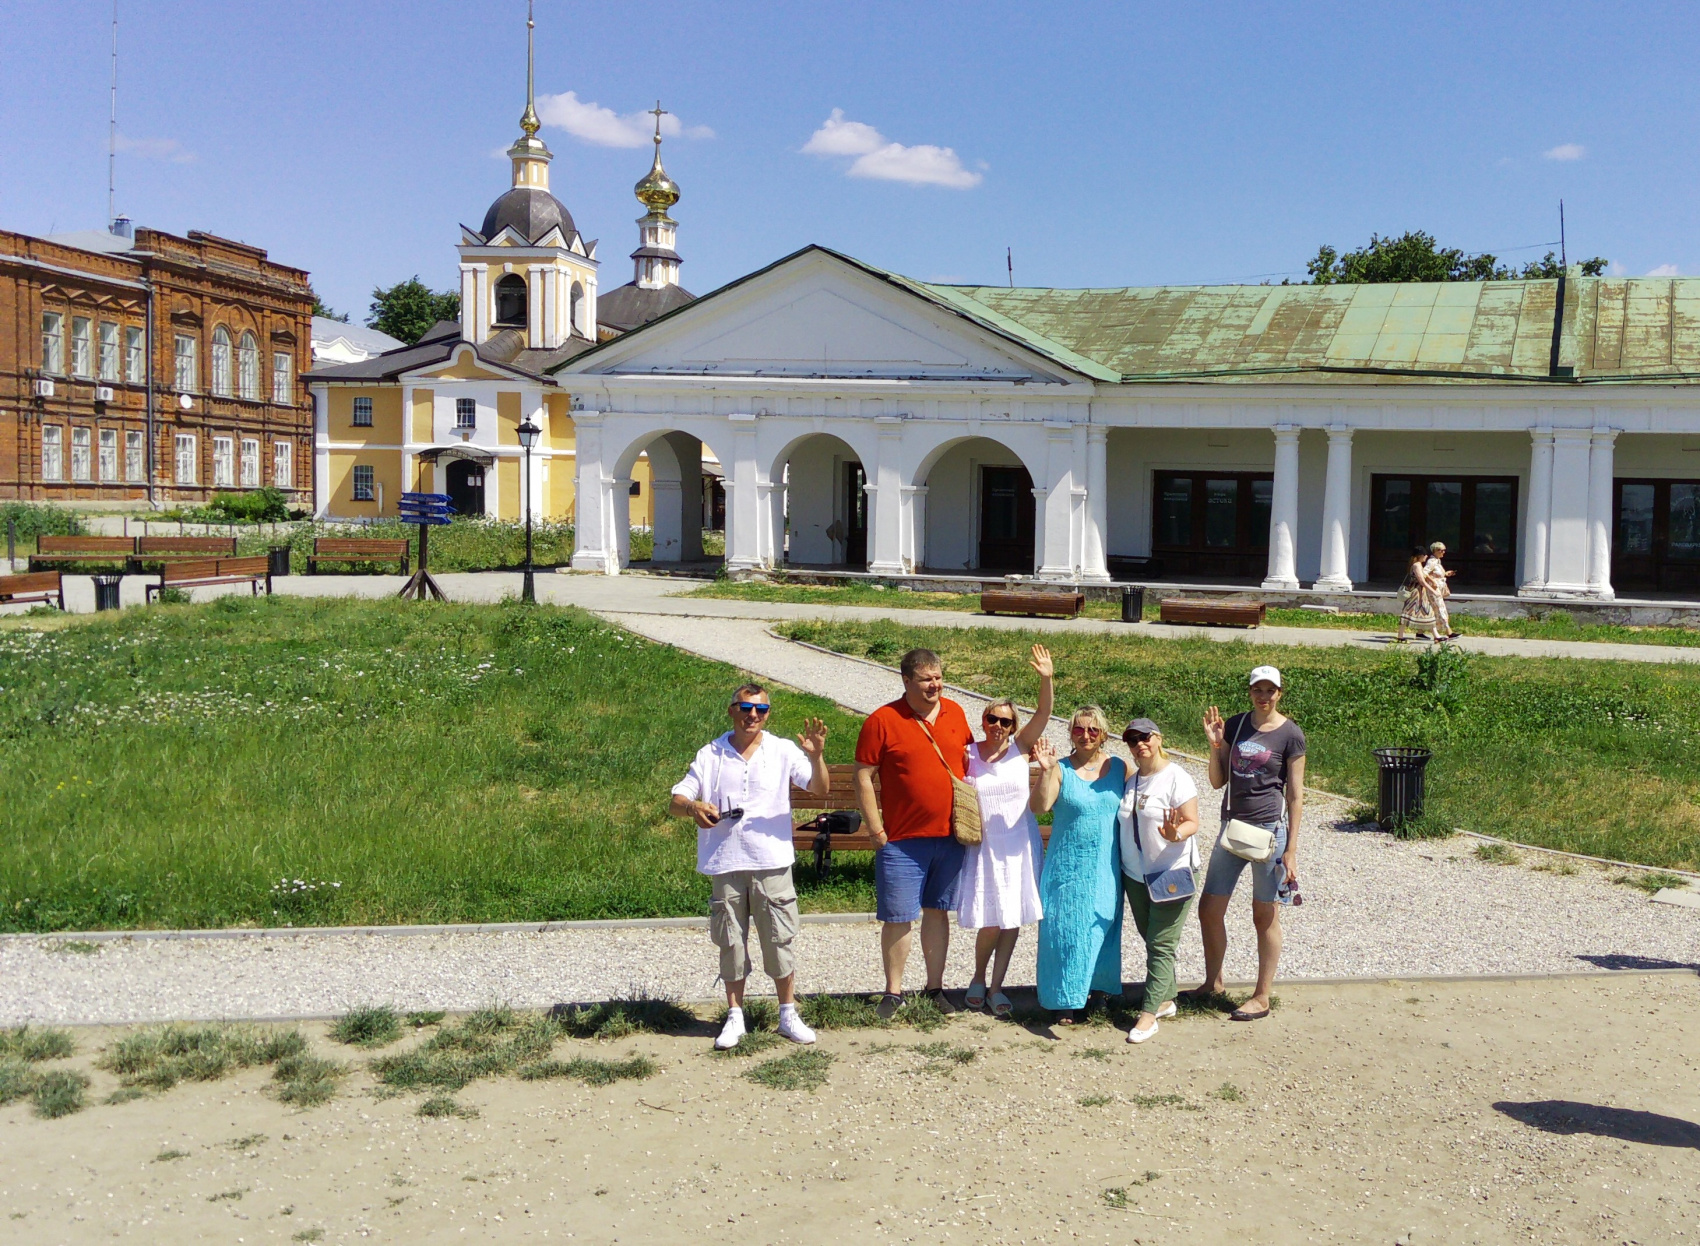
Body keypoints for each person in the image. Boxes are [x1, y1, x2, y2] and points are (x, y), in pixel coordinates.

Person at [671, 682, 831, 1049]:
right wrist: (694, 808)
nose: (753, 716)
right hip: (725, 862)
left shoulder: (781, 749)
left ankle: (788, 1013)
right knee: (730, 942)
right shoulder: (711, 753)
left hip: (771, 860)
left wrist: (818, 755)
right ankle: (734, 1016)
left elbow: (819, 789)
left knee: (779, 939)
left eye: (761, 710)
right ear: (731, 711)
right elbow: (676, 800)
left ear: (768, 713)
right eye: (745, 709)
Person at [855, 648, 974, 1019]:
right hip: (903, 840)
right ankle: (893, 992)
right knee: (898, 916)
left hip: (950, 836)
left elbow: (972, 759)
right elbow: (863, 774)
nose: (934, 684)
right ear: (906, 681)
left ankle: (935, 987)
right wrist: (876, 828)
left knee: (938, 912)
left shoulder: (955, 712)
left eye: (938, 677)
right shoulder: (883, 720)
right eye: (926, 679)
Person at [1186, 665, 1305, 1022]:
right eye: (1258, 689)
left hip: (1269, 832)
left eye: (1270, 690)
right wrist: (1215, 746)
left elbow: (1296, 795)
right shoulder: (1236, 725)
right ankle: (1213, 982)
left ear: (1280, 693)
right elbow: (1216, 781)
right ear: (1250, 691)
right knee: (1208, 908)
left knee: (1264, 915)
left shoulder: (1291, 735)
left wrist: (1292, 849)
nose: (1263, 696)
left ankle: (1262, 995)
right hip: (1232, 829)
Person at [956, 644, 1055, 1019]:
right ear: (983, 720)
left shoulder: (1020, 749)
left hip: (1019, 843)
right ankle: (978, 977)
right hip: (984, 845)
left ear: (1014, 727)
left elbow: (1045, 712)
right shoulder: (967, 752)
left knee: (1012, 916)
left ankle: (998, 985)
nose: (998, 726)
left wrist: (1046, 679)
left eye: (1005, 722)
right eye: (991, 719)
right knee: (991, 918)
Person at [1030, 706, 1126, 1024]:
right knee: (1064, 929)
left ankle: (1097, 991)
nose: (1085, 735)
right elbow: (1040, 806)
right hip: (1067, 866)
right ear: (1070, 733)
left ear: (1103, 735)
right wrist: (1044, 771)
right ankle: (1063, 1000)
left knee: (1102, 927)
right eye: (1078, 729)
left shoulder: (1118, 768)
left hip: (1105, 866)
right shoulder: (1060, 768)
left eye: (1093, 730)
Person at [1117, 717, 1200, 1044]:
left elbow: (1193, 821)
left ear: (1158, 738)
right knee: (1151, 939)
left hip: (1172, 872)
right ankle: (1166, 999)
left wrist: (1175, 833)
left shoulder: (1177, 777)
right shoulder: (1133, 780)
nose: (1140, 743)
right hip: (1136, 874)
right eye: (1132, 739)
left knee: (1161, 945)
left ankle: (1148, 1015)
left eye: (1145, 737)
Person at [1395, 547, 1440, 644]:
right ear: (1420, 556)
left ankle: (1436, 636)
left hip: (1421, 593)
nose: (1426, 556)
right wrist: (1433, 591)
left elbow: (1425, 575)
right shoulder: (1416, 565)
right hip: (1415, 593)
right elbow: (1421, 581)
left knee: (1427, 612)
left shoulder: (1418, 565)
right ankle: (1400, 636)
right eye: (1425, 555)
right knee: (1408, 612)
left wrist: (1432, 581)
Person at [1425, 541, 1459, 639]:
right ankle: (1449, 632)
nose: (1443, 552)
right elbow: (1424, 573)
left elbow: (1436, 573)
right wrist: (1433, 581)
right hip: (1433, 590)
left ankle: (1420, 631)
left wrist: (1446, 574)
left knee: (1432, 610)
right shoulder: (1431, 561)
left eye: (1444, 550)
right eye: (1441, 550)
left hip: (1438, 589)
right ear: (1435, 551)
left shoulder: (1437, 561)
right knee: (1440, 609)